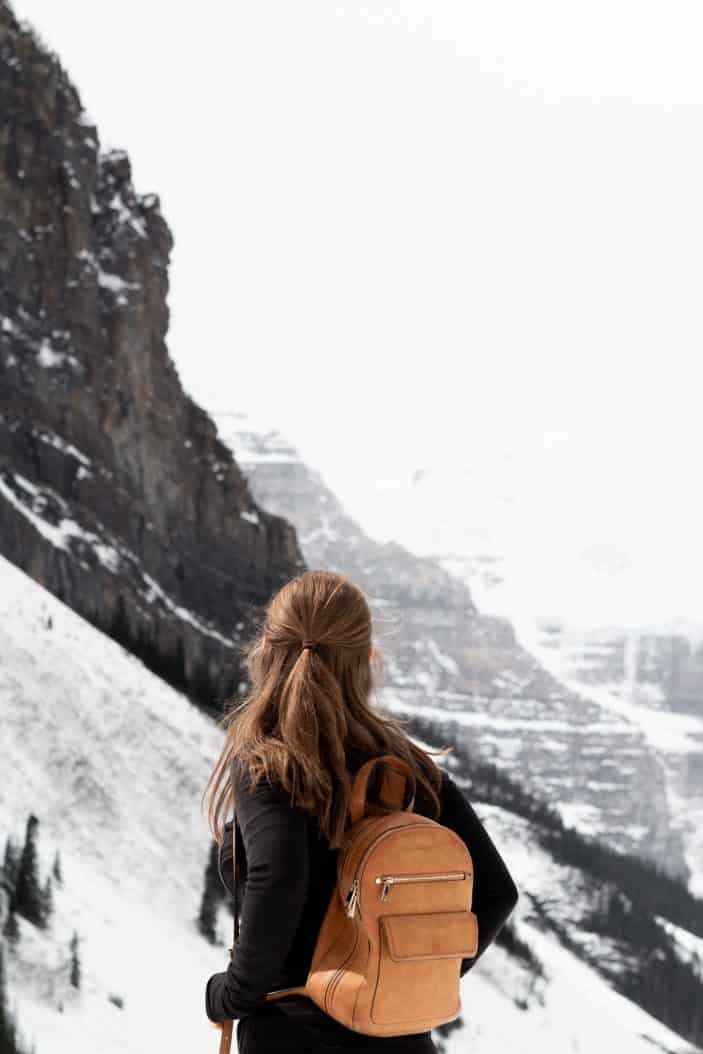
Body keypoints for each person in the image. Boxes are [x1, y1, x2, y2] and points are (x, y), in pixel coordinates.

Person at [202, 570, 519, 1053]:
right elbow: (496, 891)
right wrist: (405, 973)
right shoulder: (409, 767)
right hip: (399, 1037)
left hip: (292, 1038)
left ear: (267, 651)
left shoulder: (271, 761)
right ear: (367, 659)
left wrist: (230, 993)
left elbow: (281, 874)